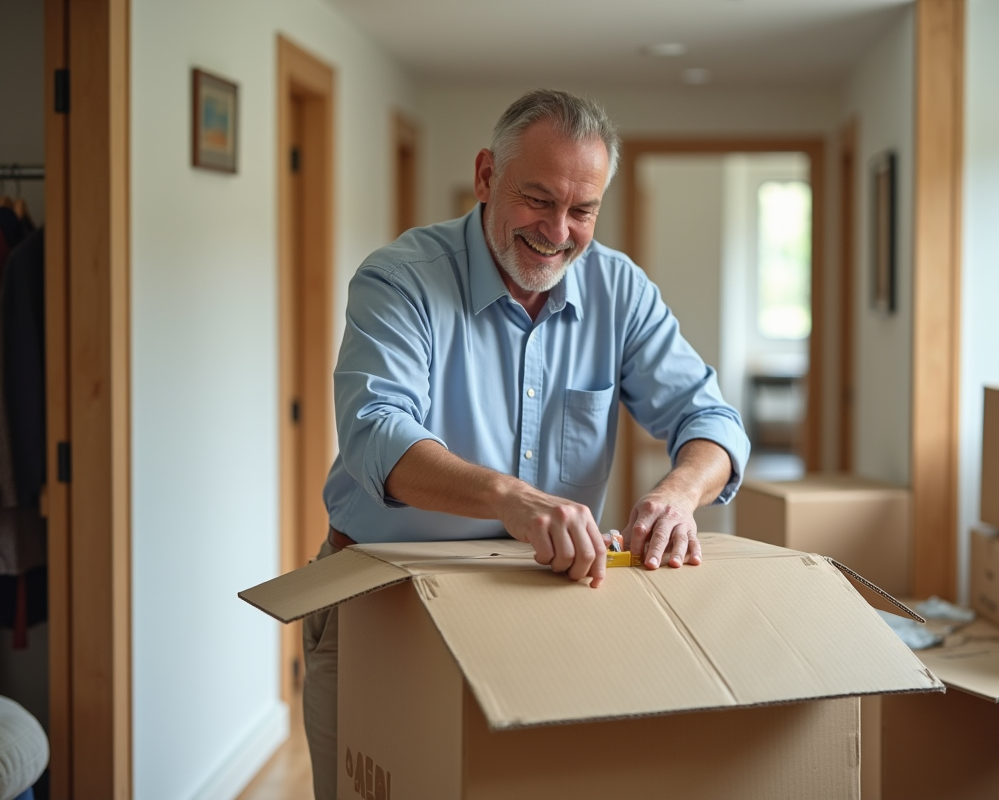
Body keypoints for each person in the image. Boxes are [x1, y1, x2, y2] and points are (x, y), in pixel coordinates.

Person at [302, 88, 750, 798]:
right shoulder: (401, 280)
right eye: (537, 200)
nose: (558, 231)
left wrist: (677, 495)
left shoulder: (619, 290)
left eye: (582, 211)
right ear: (486, 177)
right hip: (384, 604)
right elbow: (374, 431)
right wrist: (514, 501)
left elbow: (712, 420)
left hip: (543, 611)